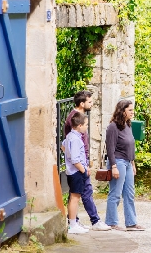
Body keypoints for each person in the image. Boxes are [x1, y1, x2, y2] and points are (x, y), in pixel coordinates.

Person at [62, 90, 110, 230]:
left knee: (79, 193)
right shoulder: (75, 120)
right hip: (78, 167)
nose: (92, 104)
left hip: (80, 163)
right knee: (82, 193)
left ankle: (76, 221)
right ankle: (90, 221)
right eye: (89, 101)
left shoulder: (81, 118)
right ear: (82, 103)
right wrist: (82, 166)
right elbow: (68, 145)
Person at [104, 99, 144, 231]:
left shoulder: (128, 125)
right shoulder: (113, 127)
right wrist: (114, 166)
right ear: (122, 111)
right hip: (118, 161)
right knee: (115, 193)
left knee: (129, 193)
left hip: (127, 162)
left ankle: (131, 222)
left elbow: (130, 146)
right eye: (130, 110)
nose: (132, 112)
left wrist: (133, 163)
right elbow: (110, 148)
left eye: (133, 110)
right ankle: (111, 222)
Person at [62, 112, 91, 235]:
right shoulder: (75, 139)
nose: (87, 127)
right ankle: (73, 224)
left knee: (75, 197)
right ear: (79, 126)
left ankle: (74, 223)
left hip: (73, 171)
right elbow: (75, 159)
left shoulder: (70, 136)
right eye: (86, 125)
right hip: (76, 172)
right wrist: (83, 170)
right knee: (74, 198)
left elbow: (63, 146)